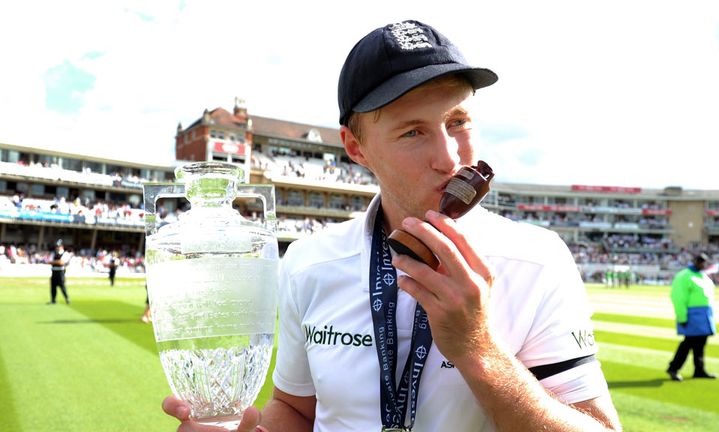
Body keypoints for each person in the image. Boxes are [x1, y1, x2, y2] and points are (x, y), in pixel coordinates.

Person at [164, 20, 621, 431]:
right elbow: (296, 409)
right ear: (356, 148)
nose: (450, 159)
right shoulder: (309, 263)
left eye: (458, 121)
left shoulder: (537, 261)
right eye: (412, 131)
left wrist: (479, 350)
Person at [666, 252, 717, 381]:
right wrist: (682, 317)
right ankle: (673, 368)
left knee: (700, 344)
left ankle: (699, 370)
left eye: (704, 262)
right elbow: (678, 298)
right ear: (694, 261)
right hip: (692, 315)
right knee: (688, 343)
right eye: (700, 261)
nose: (702, 264)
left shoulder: (703, 276)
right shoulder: (684, 276)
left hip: (704, 315)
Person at [48, 239, 70, 305]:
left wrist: (54, 262)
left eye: (59, 246)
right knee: (53, 287)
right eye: (57, 246)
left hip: (60, 272)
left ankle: (67, 298)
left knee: (62, 286)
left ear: (62, 246)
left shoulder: (65, 253)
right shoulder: (53, 253)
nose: (57, 247)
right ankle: (53, 300)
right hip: (54, 272)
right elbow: (49, 261)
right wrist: (57, 262)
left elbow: (61, 262)